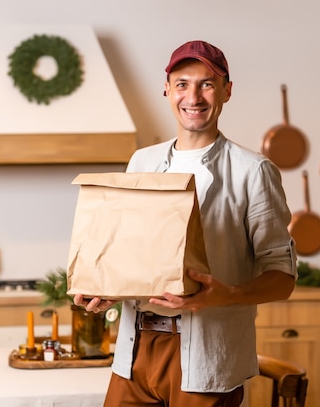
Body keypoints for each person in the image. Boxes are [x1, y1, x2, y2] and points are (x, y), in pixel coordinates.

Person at [73, 40, 297, 407]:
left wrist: (229, 295)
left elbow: (283, 277)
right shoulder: (141, 163)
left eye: (207, 83)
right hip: (133, 352)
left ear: (227, 90)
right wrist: (105, 288)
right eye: (182, 83)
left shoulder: (253, 171)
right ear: (167, 89)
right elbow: (132, 256)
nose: (193, 96)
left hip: (205, 359)